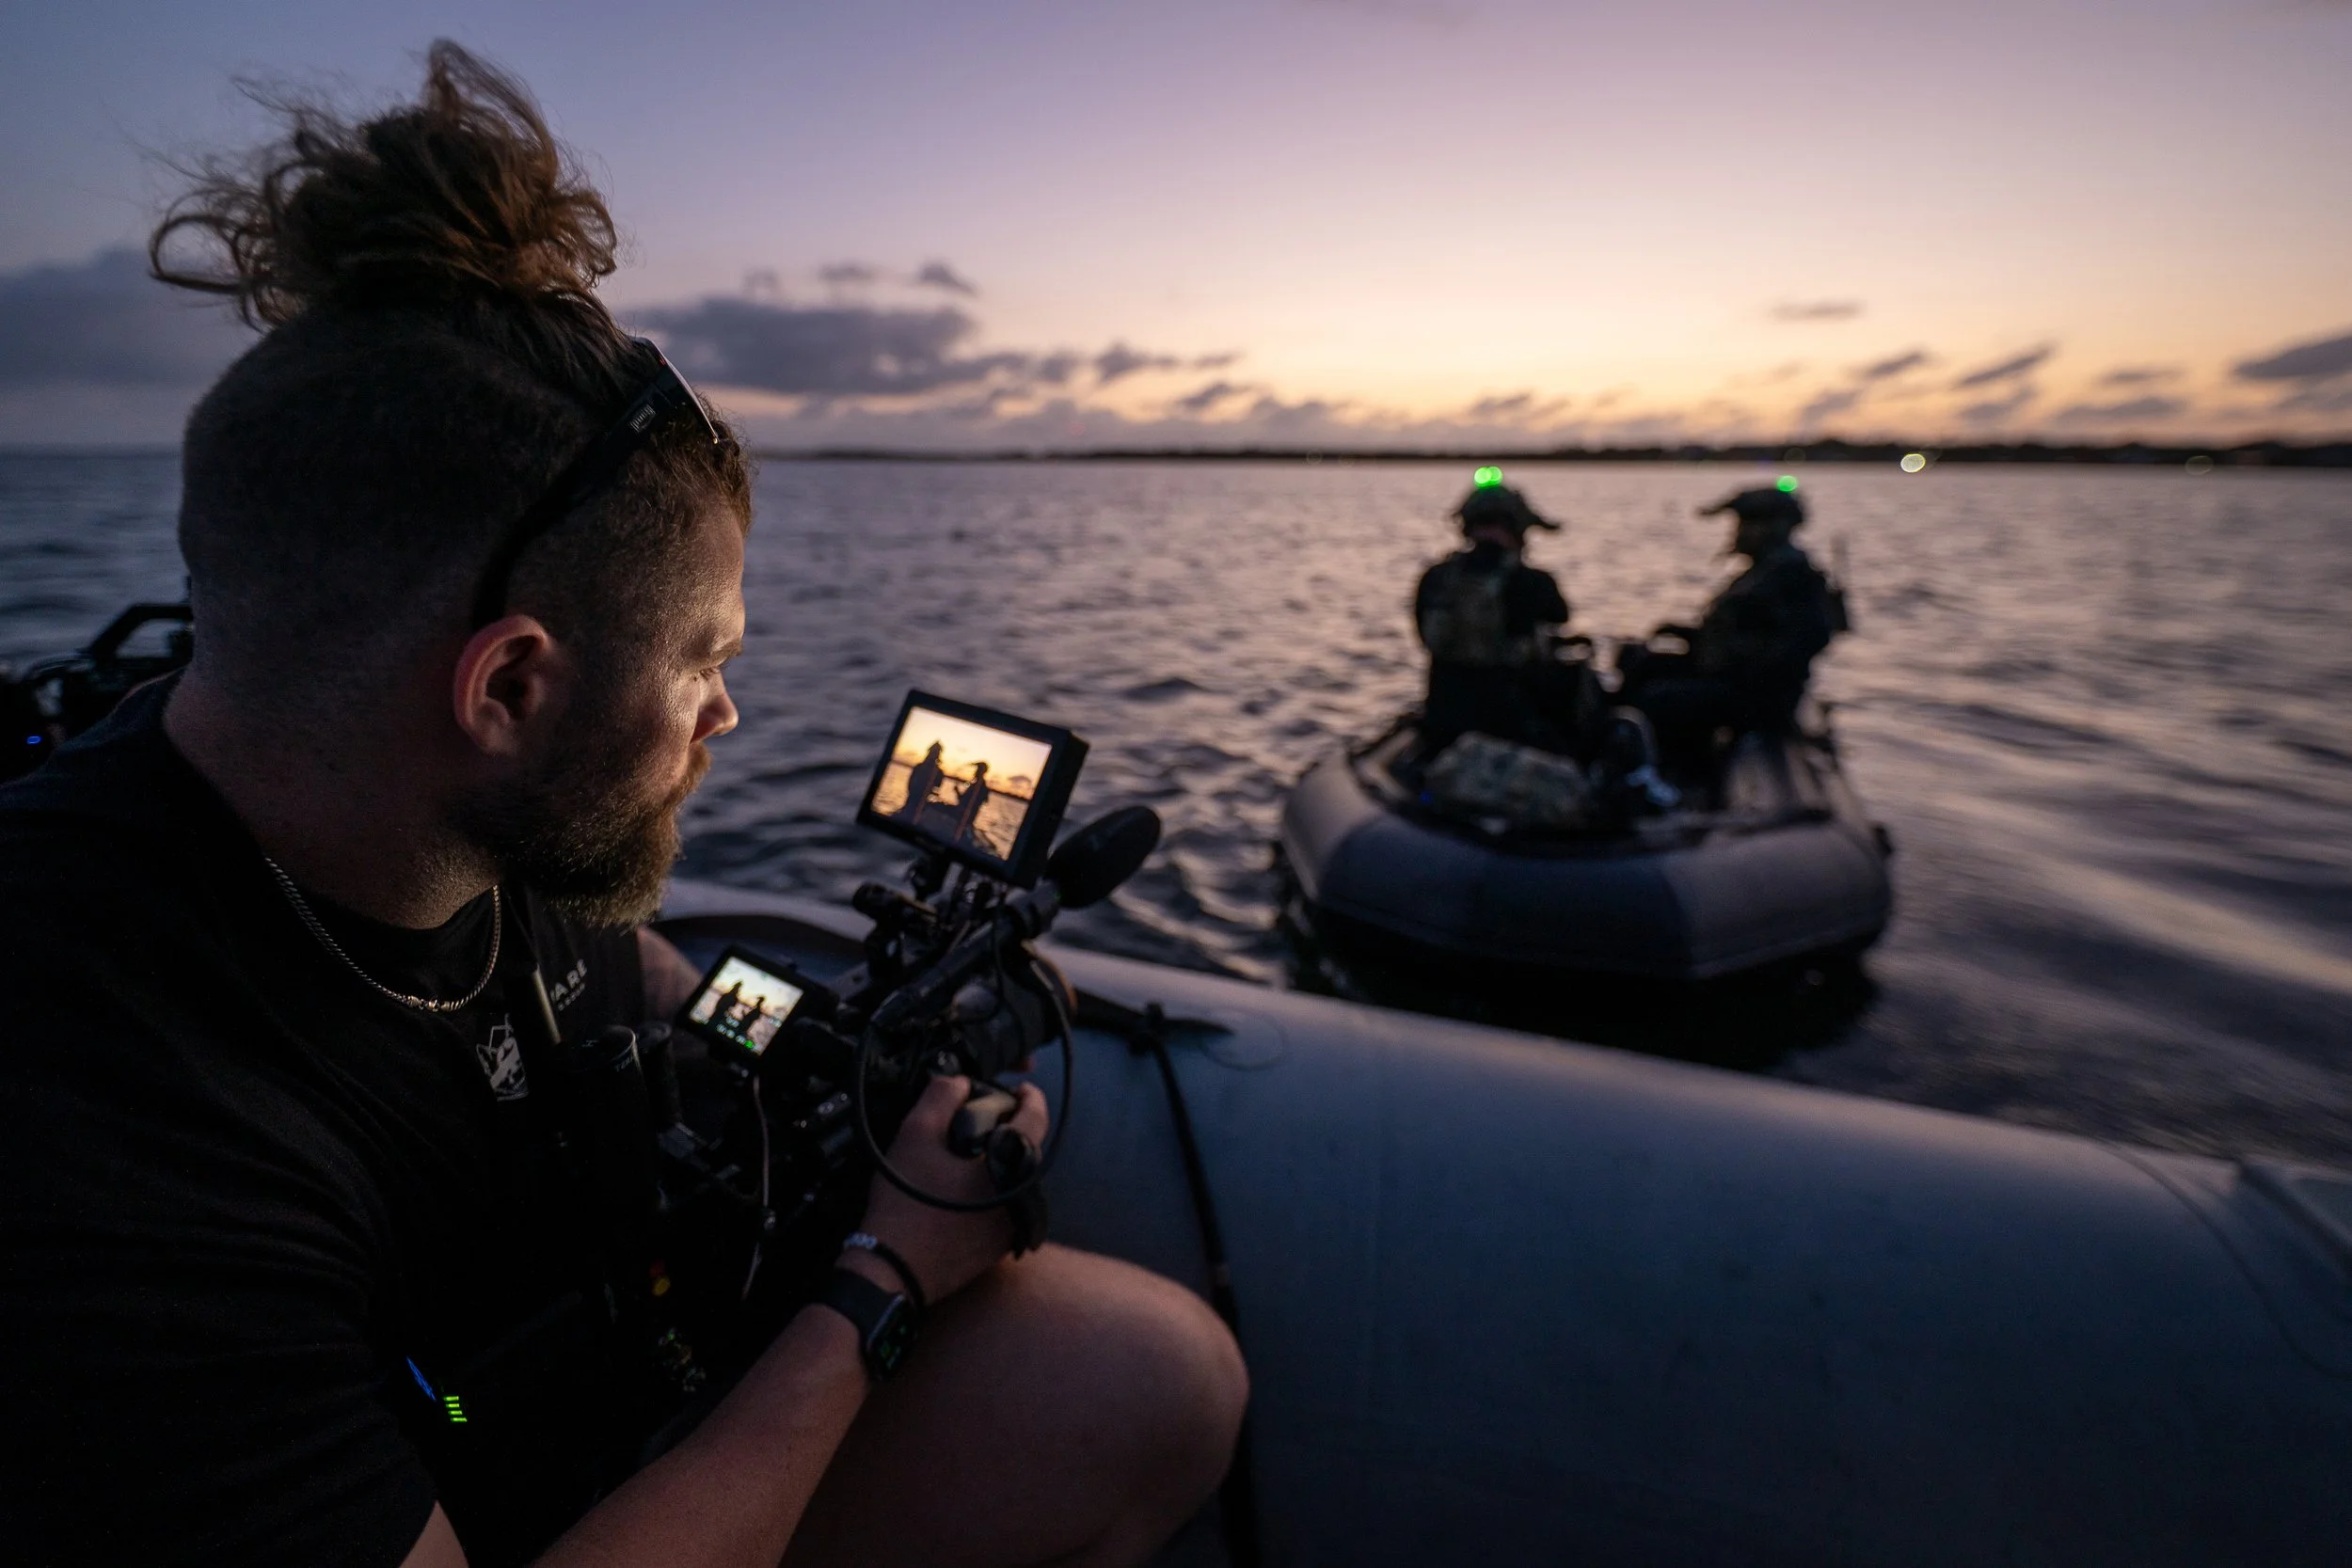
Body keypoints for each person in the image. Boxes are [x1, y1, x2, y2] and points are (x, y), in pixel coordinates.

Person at [0, 44, 1245, 1568]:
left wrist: (814, 1044)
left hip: (517, 1389)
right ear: (508, 686)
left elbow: (620, 979)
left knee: (1149, 1375)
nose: (728, 714)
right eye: (705, 662)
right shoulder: (98, 1125)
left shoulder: (419, 808)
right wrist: (877, 1287)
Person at [1618, 483, 1843, 772]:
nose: (1737, 532)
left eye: (1748, 524)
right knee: (1642, 663)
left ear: (1774, 527)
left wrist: (1741, 666)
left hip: (1759, 697)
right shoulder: (1763, 571)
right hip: (1729, 678)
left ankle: (1669, 773)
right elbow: (1737, 630)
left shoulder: (1792, 576)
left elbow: (1805, 639)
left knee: (1659, 700)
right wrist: (1689, 636)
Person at [1411, 475, 1572, 756]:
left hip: (1442, 733)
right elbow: (1561, 617)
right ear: (1518, 529)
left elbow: (1423, 637)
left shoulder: (1434, 578)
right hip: (1513, 737)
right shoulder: (1534, 582)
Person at [895, 740, 946, 821]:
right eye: (933, 752)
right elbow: (910, 783)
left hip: (922, 801)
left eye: (935, 752)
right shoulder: (919, 767)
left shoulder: (938, 772)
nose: (933, 754)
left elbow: (937, 787)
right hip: (913, 798)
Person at [952, 761, 992, 849]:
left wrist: (956, 791)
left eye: (978, 770)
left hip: (965, 818)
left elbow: (963, 801)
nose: (975, 772)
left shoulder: (979, 786)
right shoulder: (981, 786)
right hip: (967, 818)